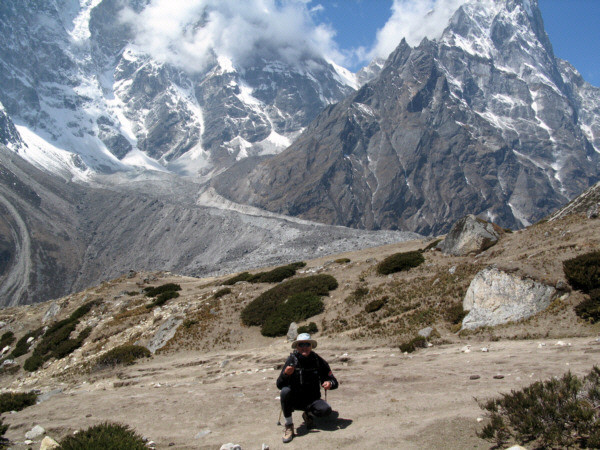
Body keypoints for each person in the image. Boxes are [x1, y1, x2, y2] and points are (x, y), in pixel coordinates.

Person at [276, 333, 338, 443]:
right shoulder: (291, 361)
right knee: (285, 392)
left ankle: (308, 414)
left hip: (312, 399)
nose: (304, 347)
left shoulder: (318, 360)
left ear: (311, 346)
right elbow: (279, 384)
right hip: (295, 399)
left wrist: (329, 383)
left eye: (307, 344)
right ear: (296, 347)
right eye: (301, 345)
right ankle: (289, 425)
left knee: (326, 410)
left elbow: (333, 381)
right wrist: (285, 374)